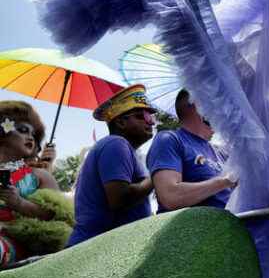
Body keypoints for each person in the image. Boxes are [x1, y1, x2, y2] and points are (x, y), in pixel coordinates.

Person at [66, 84, 156, 247]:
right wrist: (154, 178)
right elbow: (119, 198)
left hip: (104, 248)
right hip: (94, 250)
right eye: (142, 116)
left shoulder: (124, 149)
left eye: (151, 116)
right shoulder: (116, 143)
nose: (151, 122)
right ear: (121, 122)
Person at [0, 101, 74, 268]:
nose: (30, 137)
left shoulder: (38, 176)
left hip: (18, 245)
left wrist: (19, 203)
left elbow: (55, 216)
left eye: (34, 134)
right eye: (23, 130)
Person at [146, 90, 234, 213]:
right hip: (193, 230)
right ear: (200, 107)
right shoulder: (170, 139)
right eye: (214, 105)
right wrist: (226, 181)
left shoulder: (220, 152)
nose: (221, 112)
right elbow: (170, 196)